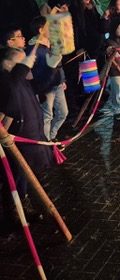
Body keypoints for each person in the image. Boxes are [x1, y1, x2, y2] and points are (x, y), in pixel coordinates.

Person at [0, 47, 55, 230]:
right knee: (12, 178)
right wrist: (22, 67)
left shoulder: (21, 81)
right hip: (14, 139)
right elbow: (9, 101)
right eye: (21, 62)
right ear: (7, 64)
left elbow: (41, 85)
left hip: (28, 136)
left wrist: (52, 66)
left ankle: (23, 207)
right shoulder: (5, 82)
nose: (27, 66)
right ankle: (12, 214)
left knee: (23, 175)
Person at [27, 16, 68, 143]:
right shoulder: (35, 49)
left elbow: (58, 65)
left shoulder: (50, 44)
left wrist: (62, 80)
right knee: (47, 115)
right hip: (46, 87)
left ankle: (51, 136)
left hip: (57, 84)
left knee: (63, 113)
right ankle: (46, 142)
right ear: (41, 30)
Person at [69, 0, 104, 64]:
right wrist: (78, 47)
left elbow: (98, 27)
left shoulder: (92, 9)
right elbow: (75, 30)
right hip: (81, 49)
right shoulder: (74, 10)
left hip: (94, 47)